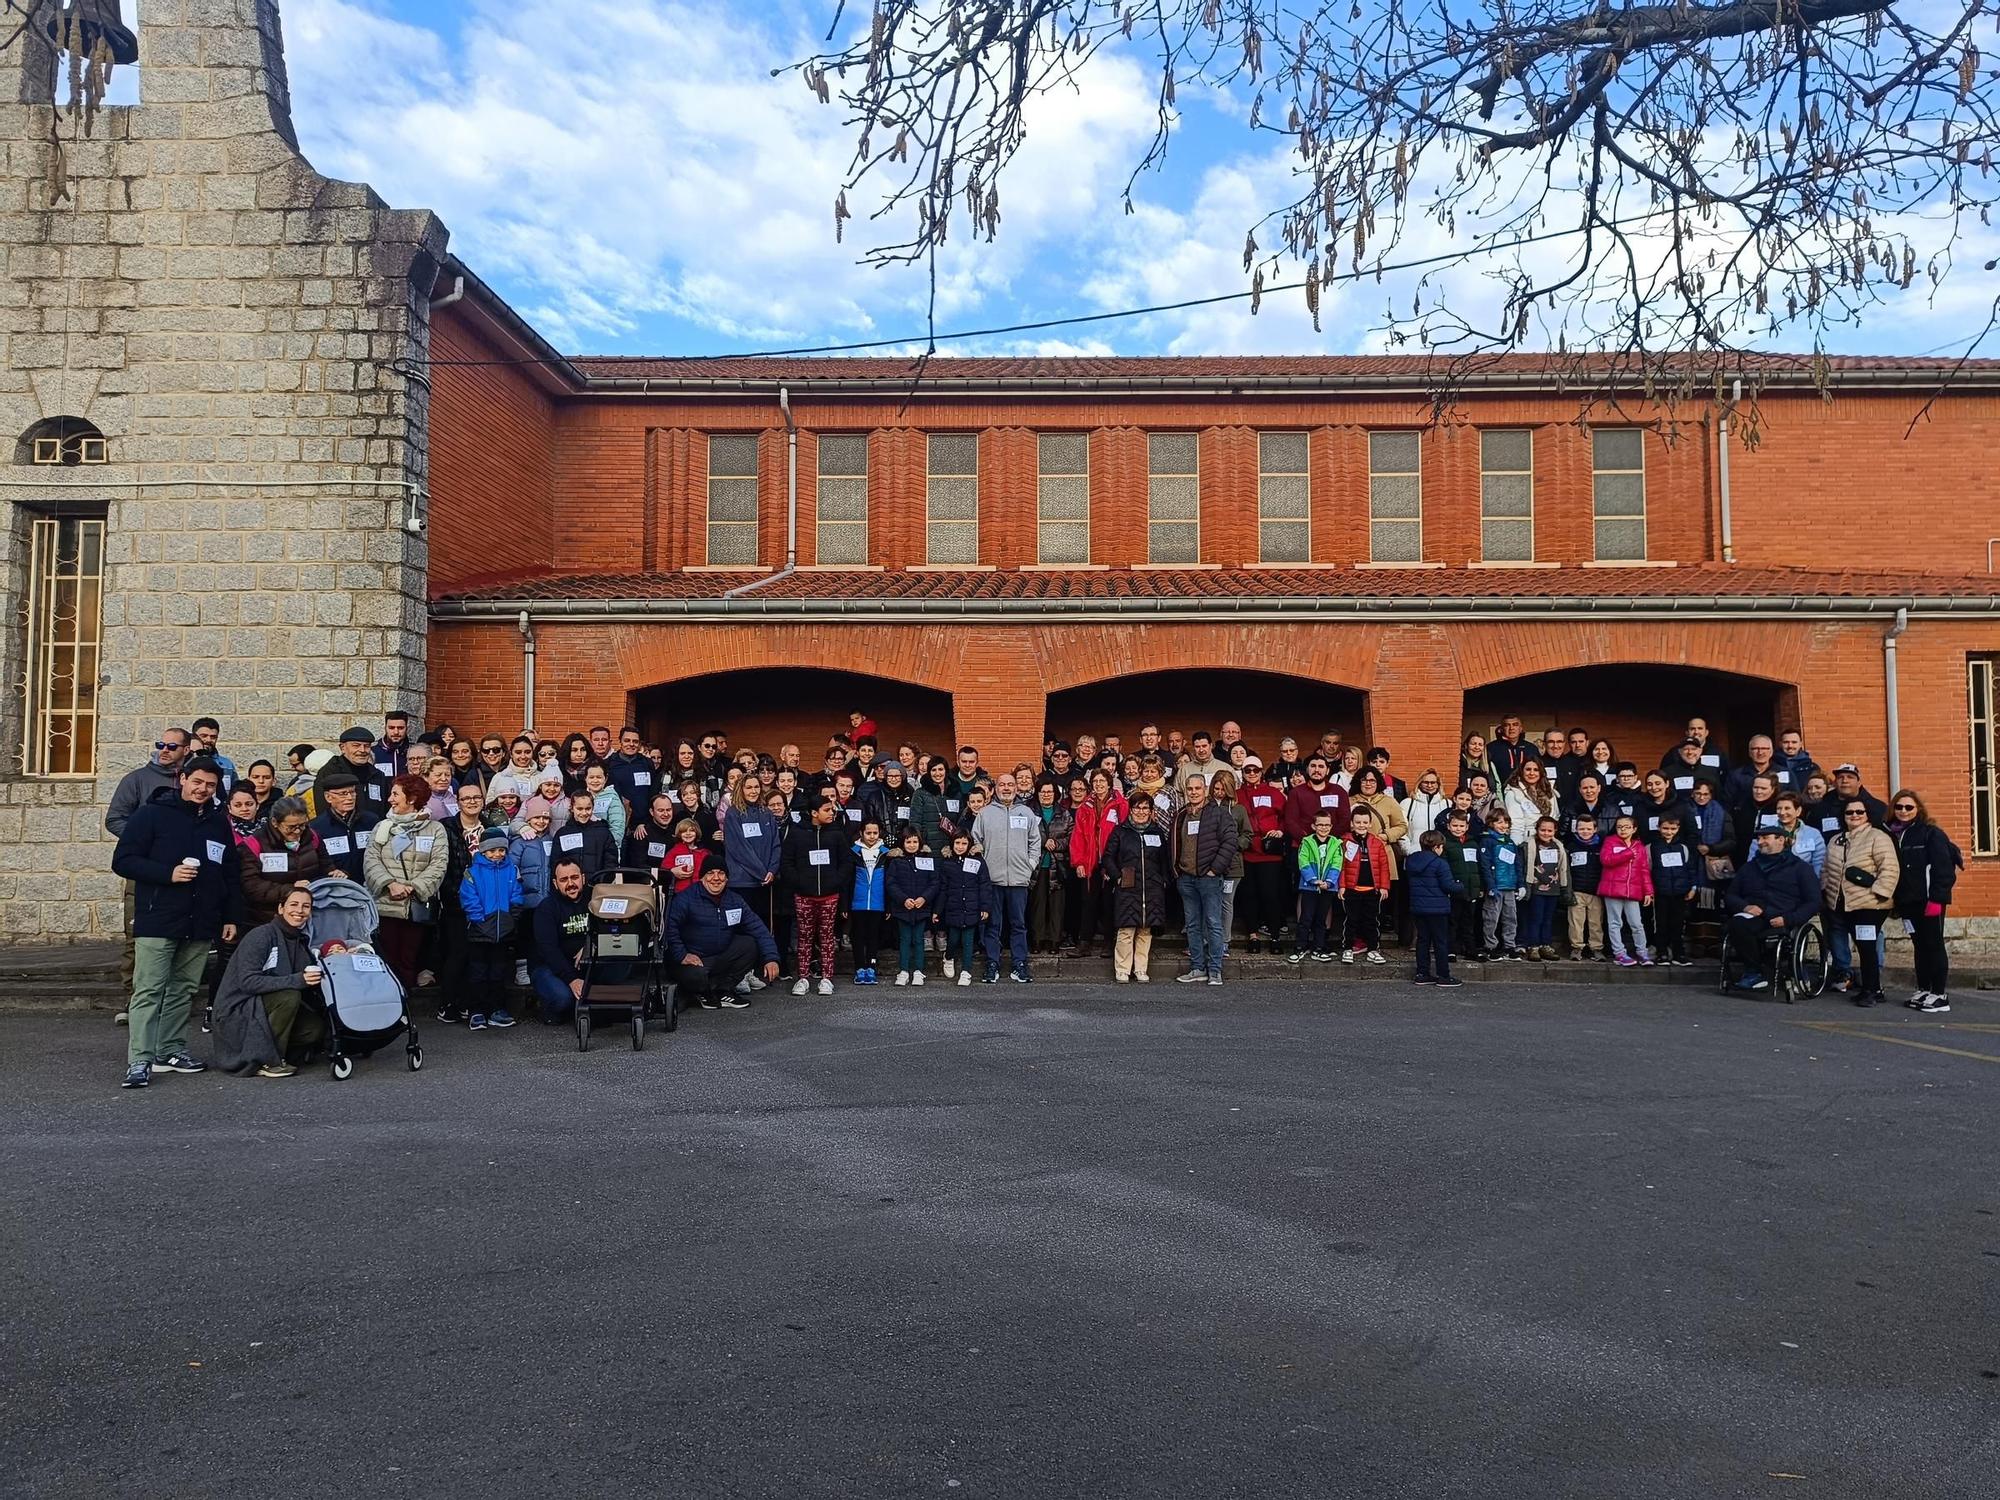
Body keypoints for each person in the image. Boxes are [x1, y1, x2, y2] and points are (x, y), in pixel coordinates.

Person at [110, 756, 240, 1089]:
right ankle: (140, 1059)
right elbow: (123, 861)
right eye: (197, 782)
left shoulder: (217, 822)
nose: (203, 789)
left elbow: (229, 873)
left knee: (183, 990)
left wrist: (229, 917)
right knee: (150, 990)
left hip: (201, 921)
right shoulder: (151, 814)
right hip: (158, 917)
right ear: (181, 779)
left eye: (210, 785)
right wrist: (167, 874)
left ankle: (170, 1050)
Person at [209, 886, 327, 1078]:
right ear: (281, 908)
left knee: (313, 1029)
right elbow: (248, 982)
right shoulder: (261, 935)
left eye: (306, 906)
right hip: (237, 1009)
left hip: (266, 1002)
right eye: (294, 904)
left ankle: (280, 1053)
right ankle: (266, 1060)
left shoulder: (300, 940)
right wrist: (298, 980)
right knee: (289, 996)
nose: (299, 911)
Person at [362, 774, 449, 993]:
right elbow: (371, 860)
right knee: (387, 957)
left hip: (415, 905)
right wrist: (390, 884)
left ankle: (406, 1007)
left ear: (411, 798)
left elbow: (439, 864)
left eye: (395, 794)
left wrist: (413, 887)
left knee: (409, 958)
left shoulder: (435, 829)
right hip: (386, 904)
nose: (390, 799)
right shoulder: (382, 827)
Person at [666, 864, 780, 1010]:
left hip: (718, 957)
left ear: (727, 878)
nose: (716, 878)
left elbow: (758, 928)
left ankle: (722, 991)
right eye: (710, 873)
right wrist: (682, 955)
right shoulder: (685, 898)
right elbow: (669, 928)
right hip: (691, 960)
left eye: (721, 873)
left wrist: (771, 958)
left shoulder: (734, 900)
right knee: (697, 976)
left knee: (750, 944)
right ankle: (701, 992)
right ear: (702, 877)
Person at [1724, 826, 1822, 993]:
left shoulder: (1800, 868)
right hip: (1754, 916)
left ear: (1781, 840)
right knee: (1736, 923)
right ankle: (1754, 972)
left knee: (1785, 937)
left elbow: (1813, 902)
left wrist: (1789, 919)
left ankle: (1793, 970)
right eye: (1759, 839)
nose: (1760, 842)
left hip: (1784, 917)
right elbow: (1731, 895)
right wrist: (1745, 906)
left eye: (1765, 838)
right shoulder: (1749, 868)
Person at [1823, 799, 1899, 1007]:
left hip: (1870, 904)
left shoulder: (1878, 837)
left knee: (1866, 947)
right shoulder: (1835, 840)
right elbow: (1827, 871)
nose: (1854, 815)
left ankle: (1872, 989)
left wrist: (1880, 892)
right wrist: (1825, 893)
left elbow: (1890, 868)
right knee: (1861, 945)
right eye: (1849, 812)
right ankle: (1871, 988)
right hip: (1843, 904)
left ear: (1867, 814)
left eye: (1859, 812)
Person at [1887, 790, 1959, 1012]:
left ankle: (1940, 994)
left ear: (1918, 809)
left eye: (1909, 807)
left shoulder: (1930, 833)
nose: (1904, 812)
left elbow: (1944, 868)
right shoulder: (1891, 834)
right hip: (1907, 901)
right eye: (1899, 807)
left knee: (1934, 944)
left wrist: (1937, 898)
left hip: (1929, 900)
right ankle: (1924, 989)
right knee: (1919, 946)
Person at [971, 772, 1042, 984]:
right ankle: (992, 963)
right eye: (1002, 785)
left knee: (1019, 923)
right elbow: (977, 842)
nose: (1007, 788)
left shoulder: (1026, 813)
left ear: (1016, 788)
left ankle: (1020, 964)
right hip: (992, 880)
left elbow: (1035, 843)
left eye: (1010, 784)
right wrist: (984, 869)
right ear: (995, 789)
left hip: (1019, 880)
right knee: (993, 924)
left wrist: (1029, 866)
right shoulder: (985, 814)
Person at [784, 799, 852, 995]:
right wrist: (799, 883)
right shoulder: (797, 833)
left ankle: (826, 978)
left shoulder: (837, 833)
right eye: (827, 810)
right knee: (804, 937)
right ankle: (803, 977)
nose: (832, 813)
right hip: (804, 895)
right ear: (814, 812)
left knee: (827, 937)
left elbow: (847, 862)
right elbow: (787, 862)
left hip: (829, 896)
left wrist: (835, 881)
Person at [459, 826, 523, 1030]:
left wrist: (512, 917)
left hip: (502, 930)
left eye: (501, 850)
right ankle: (477, 1010)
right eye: (493, 850)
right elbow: (468, 897)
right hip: (479, 930)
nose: (497, 854)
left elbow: (516, 894)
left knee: (498, 972)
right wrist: (478, 919)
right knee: (478, 972)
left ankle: (496, 1009)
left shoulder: (511, 870)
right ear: (483, 851)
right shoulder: (472, 872)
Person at [1102, 793, 1170, 983]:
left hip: (1151, 886)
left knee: (1145, 930)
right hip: (1128, 885)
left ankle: (1141, 968)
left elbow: (1164, 860)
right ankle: (1122, 969)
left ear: (1151, 811)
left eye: (1145, 808)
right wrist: (1117, 876)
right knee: (1126, 929)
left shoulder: (1156, 832)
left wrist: (1163, 880)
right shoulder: (1120, 831)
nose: (1141, 812)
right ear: (1130, 810)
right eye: (1137, 808)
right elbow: (1108, 857)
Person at [1173, 774, 1234, 986]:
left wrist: (1214, 870)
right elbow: (1174, 842)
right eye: (1190, 789)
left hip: (1209, 879)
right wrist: (1176, 871)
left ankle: (1215, 970)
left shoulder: (1218, 814)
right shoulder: (1182, 814)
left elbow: (1230, 843)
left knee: (1213, 923)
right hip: (1186, 878)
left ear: (1205, 789)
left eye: (1198, 788)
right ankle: (1197, 968)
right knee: (1192, 925)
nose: (1193, 792)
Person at [237, 795, 328, 927]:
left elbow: (326, 865)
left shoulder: (312, 837)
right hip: (266, 918)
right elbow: (251, 885)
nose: (297, 831)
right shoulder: (255, 844)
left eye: (302, 825)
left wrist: (334, 872)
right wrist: (290, 890)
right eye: (291, 827)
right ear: (275, 822)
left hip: (307, 915)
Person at [528, 858, 592, 1023]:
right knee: (563, 1000)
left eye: (574, 877)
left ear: (583, 878)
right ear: (555, 884)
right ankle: (546, 1005)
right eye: (564, 880)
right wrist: (572, 979)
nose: (570, 883)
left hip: (587, 964)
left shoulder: (595, 900)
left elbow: (608, 930)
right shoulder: (546, 908)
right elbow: (548, 949)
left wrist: (590, 945)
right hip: (549, 967)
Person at [1237, 759, 1289, 954]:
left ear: (1261, 771)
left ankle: (1275, 935)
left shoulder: (1275, 794)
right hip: (1247, 852)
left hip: (1269, 853)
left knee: (1271, 895)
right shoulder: (1237, 795)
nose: (1252, 773)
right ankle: (1253, 935)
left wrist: (1280, 831)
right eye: (1247, 770)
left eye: (1255, 770)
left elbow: (1286, 817)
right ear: (1242, 772)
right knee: (1249, 895)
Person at [1405, 830, 1466, 988]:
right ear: (1437, 847)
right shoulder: (1440, 863)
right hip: (1437, 908)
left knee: (1422, 940)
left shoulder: (1412, 861)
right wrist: (1461, 885)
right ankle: (1443, 975)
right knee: (1440, 942)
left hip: (1418, 907)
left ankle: (1422, 973)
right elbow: (1448, 886)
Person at [105, 726, 189, 839]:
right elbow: (114, 820)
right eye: (160, 745)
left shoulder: (192, 779)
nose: (164, 750)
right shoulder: (136, 778)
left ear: (186, 750)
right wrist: (144, 839)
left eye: (172, 746)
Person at [1597, 814, 1655, 966]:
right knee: (1615, 922)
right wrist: (1627, 854)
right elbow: (1606, 860)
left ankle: (1642, 951)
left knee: (1636, 923)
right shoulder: (1610, 841)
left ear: (1634, 829)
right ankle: (1619, 953)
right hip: (1613, 888)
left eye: (1627, 827)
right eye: (1619, 827)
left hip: (1632, 890)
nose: (1622, 830)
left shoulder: (1639, 846)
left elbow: (1644, 870)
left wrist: (1648, 891)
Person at [885, 828, 942, 985]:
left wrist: (924, 898)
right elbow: (891, 883)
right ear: (902, 843)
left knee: (918, 939)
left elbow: (934, 882)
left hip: (921, 907)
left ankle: (919, 971)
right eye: (908, 842)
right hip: (903, 907)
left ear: (920, 842)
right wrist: (903, 899)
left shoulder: (927, 860)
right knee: (904, 939)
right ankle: (903, 971)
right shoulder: (896, 861)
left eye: (915, 841)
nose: (911, 845)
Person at [1338, 805, 1393, 964]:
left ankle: (1373, 949)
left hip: (1372, 889)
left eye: (1364, 822)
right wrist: (1342, 885)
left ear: (1370, 823)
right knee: (1351, 919)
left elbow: (1383, 866)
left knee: (1372, 920)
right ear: (1352, 823)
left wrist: (1384, 886)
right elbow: (1341, 865)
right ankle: (1348, 948)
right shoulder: (1345, 841)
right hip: (1352, 888)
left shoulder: (1376, 842)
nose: (1361, 825)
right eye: (1358, 822)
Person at [938, 831, 994, 986]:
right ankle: (948, 957)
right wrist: (937, 910)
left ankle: (966, 971)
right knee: (954, 939)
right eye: (957, 843)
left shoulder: (978, 861)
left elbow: (984, 885)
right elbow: (942, 888)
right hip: (953, 907)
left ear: (969, 844)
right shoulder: (947, 863)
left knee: (968, 941)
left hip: (972, 907)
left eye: (964, 843)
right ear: (952, 844)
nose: (960, 847)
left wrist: (985, 906)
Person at [1647, 812, 1698, 966]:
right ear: (1659, 828)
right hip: (1660, 891)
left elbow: (1691, 868)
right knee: (1661, 923)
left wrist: (1692, 887)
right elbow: (1647, 870)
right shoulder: (1652, 847)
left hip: (1680, 891)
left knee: (1678, 923)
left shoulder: (1683, 847)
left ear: (1678, 829)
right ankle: (1661, 952)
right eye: (1665, 828)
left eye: (1672, 829)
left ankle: (1678, 953)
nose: (1669, 831)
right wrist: (1650, 890)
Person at [1027, 779, 1073, 954]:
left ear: (1055, 794)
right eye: (1042, 791)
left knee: (1056, 906)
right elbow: (1023, 835)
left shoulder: (1065, 814)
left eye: (1049, 792)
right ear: (1037, 793)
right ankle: (1037, 940)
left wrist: (1057, 843)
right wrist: (1044, 842)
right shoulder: (1030, 813)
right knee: (1037, 905)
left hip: (1057, 865)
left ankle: (1054, 940)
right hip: (1037, 865)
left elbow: (1071, 836)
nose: (1046, 795)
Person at [308, 768, 378, 879]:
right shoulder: (316, 827)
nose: (350, 798)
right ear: (328, 797)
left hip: (368, 882)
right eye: (343, 794)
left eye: (352, 792)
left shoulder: (371, 821)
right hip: (337, 885)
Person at [1292, 811, 1342, 964]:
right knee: (1306, 917)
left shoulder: (1336, 843)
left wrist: (1329, 881)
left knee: (1321, 919)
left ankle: (1318, 948)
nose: (1324, 828)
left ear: (1331, 826)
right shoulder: (1307, 842)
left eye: (1327, 825)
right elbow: (1303, 862)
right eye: (1320, 824)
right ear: (1314, 826)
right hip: (1309, 886)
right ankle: (1300, 946)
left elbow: (1337, 863)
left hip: (1328, 887)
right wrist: (1313, 880)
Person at [1520, 815, 1569, 961]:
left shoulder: (1558, 846)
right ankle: (1533, 946)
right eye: (1543, 830)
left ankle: (1545, 944)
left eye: (1549, 830)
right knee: (1536, 918)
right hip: (1536, 888)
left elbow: (1562, 868)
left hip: (1553, 889)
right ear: (1537, 830)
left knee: (1548, 919)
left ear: (1555, 831)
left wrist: (1564, 887)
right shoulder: (1529, 845)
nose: (1546, 833)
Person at [1478, 808, 1524, 960]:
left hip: (1510, 886)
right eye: (1499, 822)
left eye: (1506, 822)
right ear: (1491, 823)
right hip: (1496, 887)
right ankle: (1490, 946)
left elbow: (1517, 864)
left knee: (1511, 917)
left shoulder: (1510, 841)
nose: (1503, 825)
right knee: (1491, 917)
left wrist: (1520, 884)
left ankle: (1509, 945)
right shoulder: (1487, 841)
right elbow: (1485, 865)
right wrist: (1490, 886)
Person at [848, 820, 890, 985]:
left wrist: (889, 905)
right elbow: (848, 880)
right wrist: (845, 904)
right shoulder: (854, 852)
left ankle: (871, 967)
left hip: (878, 902)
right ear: (861, 833)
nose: (872, 836)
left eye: (875, 833)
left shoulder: (886, 853)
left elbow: (889, 882)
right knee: (858, 936)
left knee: (873, 936)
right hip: (857, 902)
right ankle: (859, 968)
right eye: (868, 833)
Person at [1441, 809, 1484, 961]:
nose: (1458, 829)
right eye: (1455, 826)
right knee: (1452, 921)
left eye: (1461, 826)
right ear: (1449, 826)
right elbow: (1443, 867)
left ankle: (1470, 949)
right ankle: (1451, 950)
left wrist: (1480, 887)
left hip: (1471, 889)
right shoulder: (1445, 843)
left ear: (1467, 827)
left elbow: (1479, 866)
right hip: (1453, 889)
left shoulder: (1473, 843)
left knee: (1468, 922)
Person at [1563, 813, 1607, 960]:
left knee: (1596, 923)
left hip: (1596, 890)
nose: (1585, 832)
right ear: (1576, 829)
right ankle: (1576, 948)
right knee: (1576, 922)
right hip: (1577, 889)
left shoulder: (1602, 846)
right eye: (1581, 829)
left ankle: (1596, 948)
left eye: (1589, 829)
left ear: (1595, 829)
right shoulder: (1571, 846)